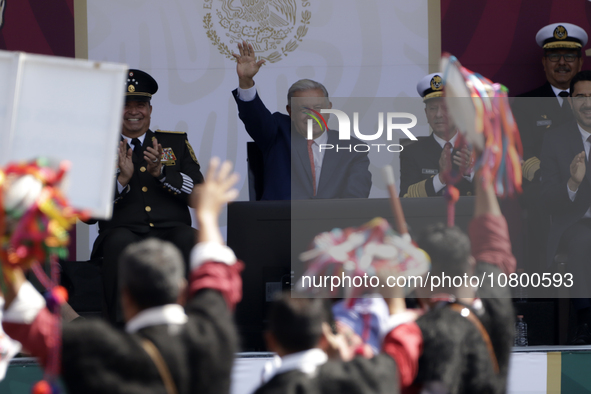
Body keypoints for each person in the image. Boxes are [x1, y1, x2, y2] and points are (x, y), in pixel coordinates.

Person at [2, 157, 242, 393]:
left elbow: (27, 321)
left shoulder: (101, 351)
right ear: (181, 290)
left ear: (124, 297)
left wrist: (10, 246)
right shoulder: (212, 341)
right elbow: (216, 278)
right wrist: (207, 216)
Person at [90, 69, 204, 324]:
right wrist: (121, 181)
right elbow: (87, 215)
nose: (133, 112)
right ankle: (122, 330)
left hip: (171, 230)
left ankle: (193, 325)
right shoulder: (100, 146)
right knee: (118, 241)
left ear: (150, 109)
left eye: (140, 105)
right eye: (125, 106)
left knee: (190, 238)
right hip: (122, 231)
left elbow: (200, 194)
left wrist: (163, 175)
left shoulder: (172, 143)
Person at [411, 168, 515, 393]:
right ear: (470, 265)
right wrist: (483, 168)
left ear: (422, 279)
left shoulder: (417, 332)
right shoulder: (494, 301)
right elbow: (493, 241)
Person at [232, 41, 372, 200]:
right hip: (281, 222)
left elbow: (356, 198)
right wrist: (245, 82)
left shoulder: (353, 148)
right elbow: (255, 118)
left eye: (318, 108)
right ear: (290, 111)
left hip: (333, 223)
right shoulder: (277, 132)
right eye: (304, 109)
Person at [512, 23, 587, 272]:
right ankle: (543, 287)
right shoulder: (523, 104)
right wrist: (565, 181)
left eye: (569, 56)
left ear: (580, 63)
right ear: (544, 63)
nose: (562, 63)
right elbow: (522, 155)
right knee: (540, 202)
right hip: (545, 184)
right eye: (554, 56)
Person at [254, 294, 422, 394]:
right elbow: (399, 364)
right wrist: (396, 305)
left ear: (270, 340)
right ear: (325, 337)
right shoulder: (360, 379)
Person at [541, 70, 591, 345]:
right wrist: (573, 181)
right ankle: (585, 319)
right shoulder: (555, 139)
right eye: (581, 96)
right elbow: (547, 197)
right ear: (570, 102)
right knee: (584, 240)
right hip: (574, 223)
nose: (588, 103)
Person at [399, 73, 473, 198]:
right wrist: (440, 179)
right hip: (429, 217)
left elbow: (497, 196)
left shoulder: (476, 148)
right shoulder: (412, 152)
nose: (439, 114)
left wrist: (470, 173)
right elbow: (405, 197)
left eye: (445, 108)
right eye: (433, 108)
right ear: (426, 113)